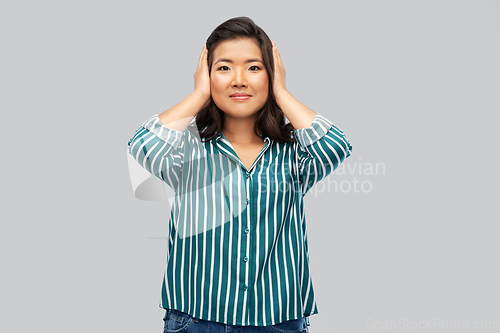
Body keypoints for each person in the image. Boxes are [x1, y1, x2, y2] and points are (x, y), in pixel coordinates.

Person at [127, 16, 352, 333]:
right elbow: (142, 145)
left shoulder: (295, 155)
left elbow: (336, 146)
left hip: (278, 321)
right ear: (207, 76)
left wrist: (282, 93)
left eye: (254, 67)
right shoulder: (185, 151)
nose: (239, 80)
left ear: (270, 75)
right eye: (224, 68)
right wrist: (198, 95)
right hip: (196, 320)